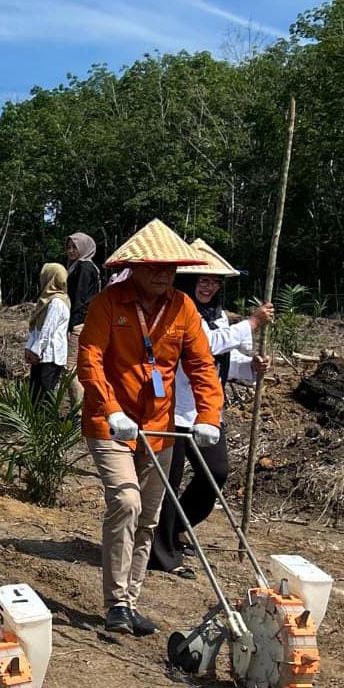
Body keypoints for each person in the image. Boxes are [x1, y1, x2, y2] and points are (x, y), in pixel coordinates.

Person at [77, 219, 222, 637]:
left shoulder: (183, 308)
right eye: (154, 266)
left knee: (149, 517)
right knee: (126, 501)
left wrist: (208, 416)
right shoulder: (109, 303)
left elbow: (201, 367)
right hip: (110, 424)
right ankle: (116, 602)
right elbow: (90, 358)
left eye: (170, 267)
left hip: (159, 427)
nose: (163, 273)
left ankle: (130, 600)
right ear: (136, 266)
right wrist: (110, 408)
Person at [150, 240, 273, 577]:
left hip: (206, 410)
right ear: (189, 281)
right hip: (173, 407)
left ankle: (174, 528)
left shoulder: (218, 315)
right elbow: (204, 345)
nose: (209, 287)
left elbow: (222, 361)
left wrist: (252, 368)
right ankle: (161, 554)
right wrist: (251, 324)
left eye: (215, 281)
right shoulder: (177, 309)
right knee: (168, 480)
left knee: (214, 473)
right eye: (203, 280)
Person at [24, 263, 70, 407]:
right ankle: (36, 424)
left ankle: (47, 426)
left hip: (50, 354)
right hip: (42, 352)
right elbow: (36, 327)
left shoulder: (57, 302)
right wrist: (29, 347)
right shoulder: (46, 300)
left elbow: (47, 329)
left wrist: (35, 351)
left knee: (45, 393)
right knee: (35, 392)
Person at [65, 233, 102, 405]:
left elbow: (80, 298)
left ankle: (79, 410)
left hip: (80, 322)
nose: (71, 251)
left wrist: (72, 324)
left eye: (75, 247)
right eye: (69, 247)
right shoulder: (81, 266)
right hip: (85, 321)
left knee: (69, 368)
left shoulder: (84, 268)